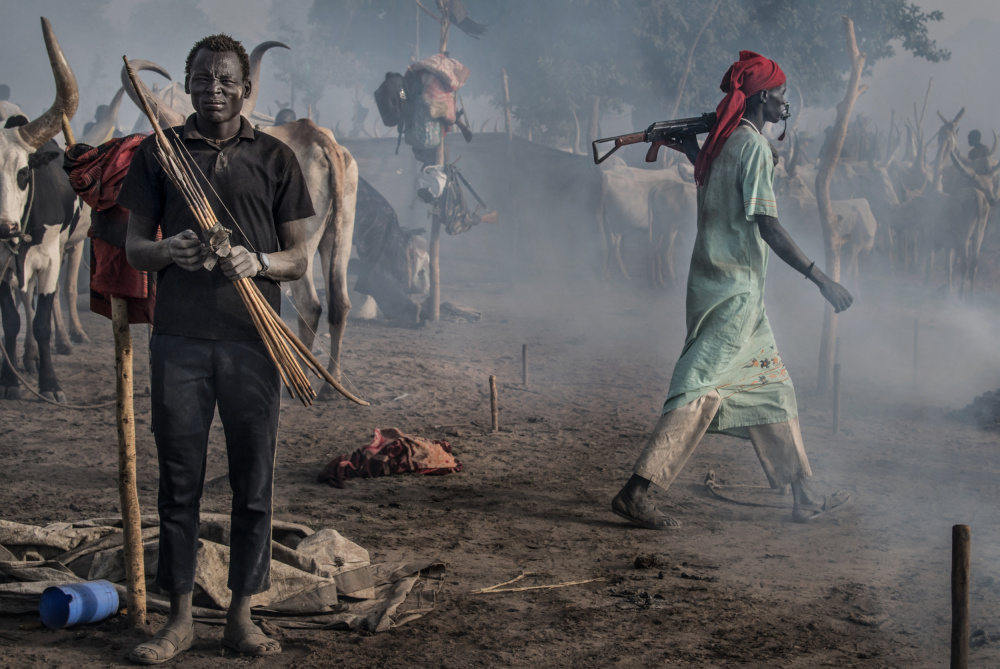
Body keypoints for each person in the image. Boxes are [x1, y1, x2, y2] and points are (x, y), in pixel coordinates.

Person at [118, 33, 315, 663]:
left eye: (226, 79)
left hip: (254, 344)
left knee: (253, 483)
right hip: (177, 340)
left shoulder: (277, 159)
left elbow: (300, 259)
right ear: (189, 84)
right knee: (179, 481)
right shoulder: (160, 153)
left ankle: (240, 616)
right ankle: (178, 620)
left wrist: (255, 261)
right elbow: (133, 249)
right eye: (202, 79)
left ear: (246, 87)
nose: (214, 90)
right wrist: (166, 251)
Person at [611, 51, 853, 531]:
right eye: (782, 95)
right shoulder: (752, 149)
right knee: (696, 386)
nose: (787, 104)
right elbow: (766, 223)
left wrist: (686, 149)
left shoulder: (721, 145)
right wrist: (819, 277)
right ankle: (637, 491)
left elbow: (714, 178)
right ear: (763, 98)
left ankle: (803, 495)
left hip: (725, 288)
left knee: (774, 389)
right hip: (733, 294)